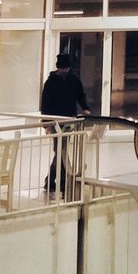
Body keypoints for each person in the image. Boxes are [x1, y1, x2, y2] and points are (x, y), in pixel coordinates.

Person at [40, 53, 89, 196]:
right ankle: (61, 181)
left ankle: (51, 181)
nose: (63, 71)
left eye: (65, 68)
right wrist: (47, 123)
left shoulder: (73, 80)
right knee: (60, 151)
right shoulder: (51, 82)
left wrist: (85, 107)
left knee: (60, 151)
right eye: (62, 68)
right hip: (56, 121)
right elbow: (45, 104)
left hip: (68, 121)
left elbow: (80, 95)